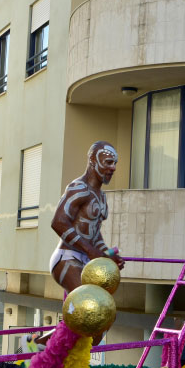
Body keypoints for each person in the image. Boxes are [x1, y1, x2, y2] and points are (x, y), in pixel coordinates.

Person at [49, 141, 125, 344]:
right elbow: (58, 222)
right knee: (92, 311)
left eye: (115, 163)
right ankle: (40, 356)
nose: (113, 168)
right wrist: (90, 250)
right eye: (108, 162)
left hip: (85, 262)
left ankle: (36, 346)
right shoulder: (78, 188)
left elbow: (94, 234)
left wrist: (108, 254)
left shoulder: (100, 196)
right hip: (67, 259)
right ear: (93, 160)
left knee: (100, 322)